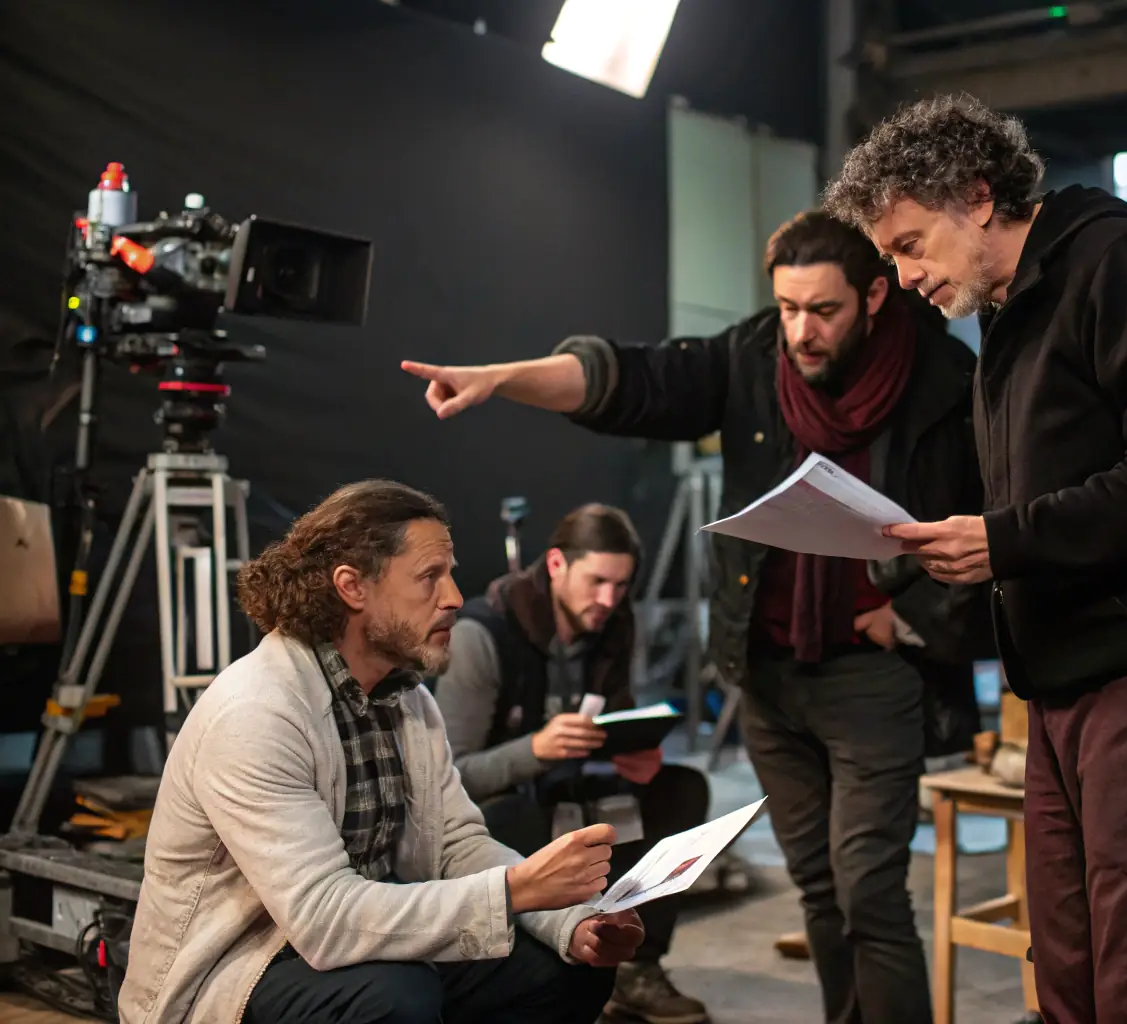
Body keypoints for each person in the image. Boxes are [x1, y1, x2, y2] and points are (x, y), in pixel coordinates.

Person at [402, 210, 993, 1024]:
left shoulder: (941, 381)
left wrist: (916, 616)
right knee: (819, 890)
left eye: (822, 311)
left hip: (872, 674)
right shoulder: (753, 355)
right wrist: (504, 377)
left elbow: (989, 518)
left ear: (875, 296)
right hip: (768, 672)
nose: (800, 331)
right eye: (787, 308)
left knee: (869, 892)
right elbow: (631, 382)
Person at [822, 94, 1127, 1023]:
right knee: (1068, 983)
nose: (903, 276)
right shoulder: (1011, 317)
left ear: (978, 197)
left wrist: (1001, 540)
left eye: (910, 244)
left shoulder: (1120, 265)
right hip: (1067, 691)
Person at [119, 480, 644, 1024]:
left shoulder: (407, 699)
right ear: (353, 587)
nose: (455, 597)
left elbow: (457, 845)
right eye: (429, 577)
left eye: (451, 572)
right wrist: (516, 889)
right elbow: (323, 919)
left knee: (565, 967)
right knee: (395, 995)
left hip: (359, 936)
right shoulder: (257, 713)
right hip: (240, 966)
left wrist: (570, 922)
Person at [432, 502, 713, 1024]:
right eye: (598, 581)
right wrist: (533, 750)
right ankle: (546, 966)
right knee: (514, 815)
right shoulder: (484, 632)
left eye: (622, 586)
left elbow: (618, 721)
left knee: (681, 788)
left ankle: (637, 966)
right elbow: (449, 778)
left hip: (582, 783)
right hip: (509, 801)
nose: (608, 599)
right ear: (557, 564)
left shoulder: (613, 623)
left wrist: (636, 753)